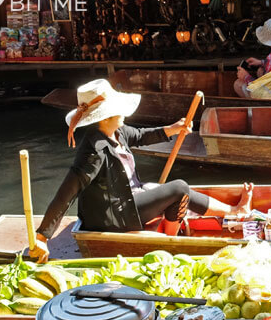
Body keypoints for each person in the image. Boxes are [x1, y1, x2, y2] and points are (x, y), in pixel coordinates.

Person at [29, 80, 253, 263]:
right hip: (113, 216)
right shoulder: (93, 151)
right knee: (179, 188)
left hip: (130, 197)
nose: (123, 114)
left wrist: (173, 129)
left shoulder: (117, 131)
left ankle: (235, 210)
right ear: (105, 117)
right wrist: (42, 237)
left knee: (171, 192)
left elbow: (142, 135)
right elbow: (66, 193)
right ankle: (169, 243)